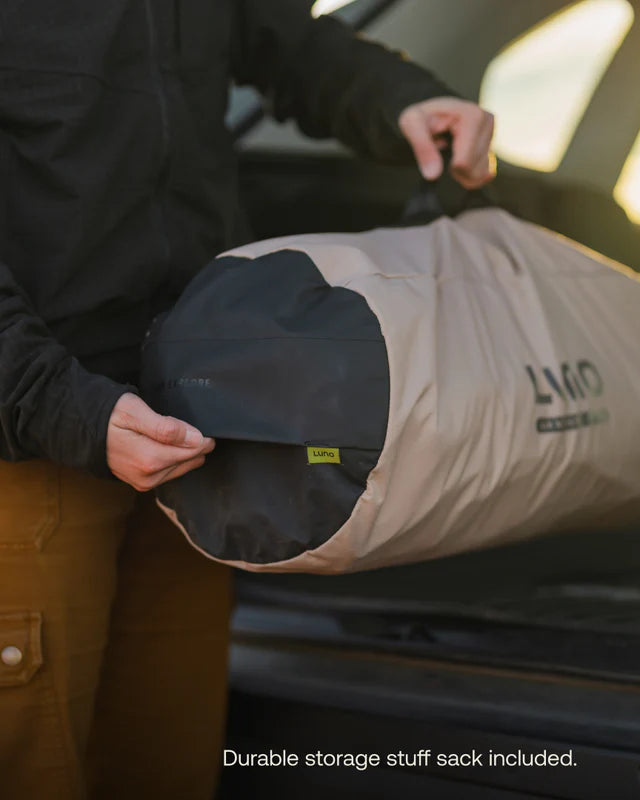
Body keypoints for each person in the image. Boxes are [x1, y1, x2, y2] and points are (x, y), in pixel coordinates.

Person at [0, 1, 495, 797]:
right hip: (28, 453)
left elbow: (280, 38)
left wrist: (397, 97)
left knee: (167, 773)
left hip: (193, 440)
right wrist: (69, 411)